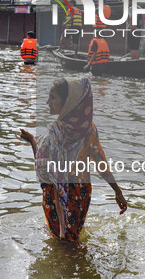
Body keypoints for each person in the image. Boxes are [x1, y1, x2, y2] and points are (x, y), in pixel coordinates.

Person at [19, 77, 127, 241]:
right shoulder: (89, 128)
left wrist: (33, 141)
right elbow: (101, 163)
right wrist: (118, 192)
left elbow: (42, 168)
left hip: (57, 197)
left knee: (62, 243)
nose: (48, 102)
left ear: (68, 102)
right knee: (72, 240)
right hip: (81, 194)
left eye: (53, 98)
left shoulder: (55, 132)